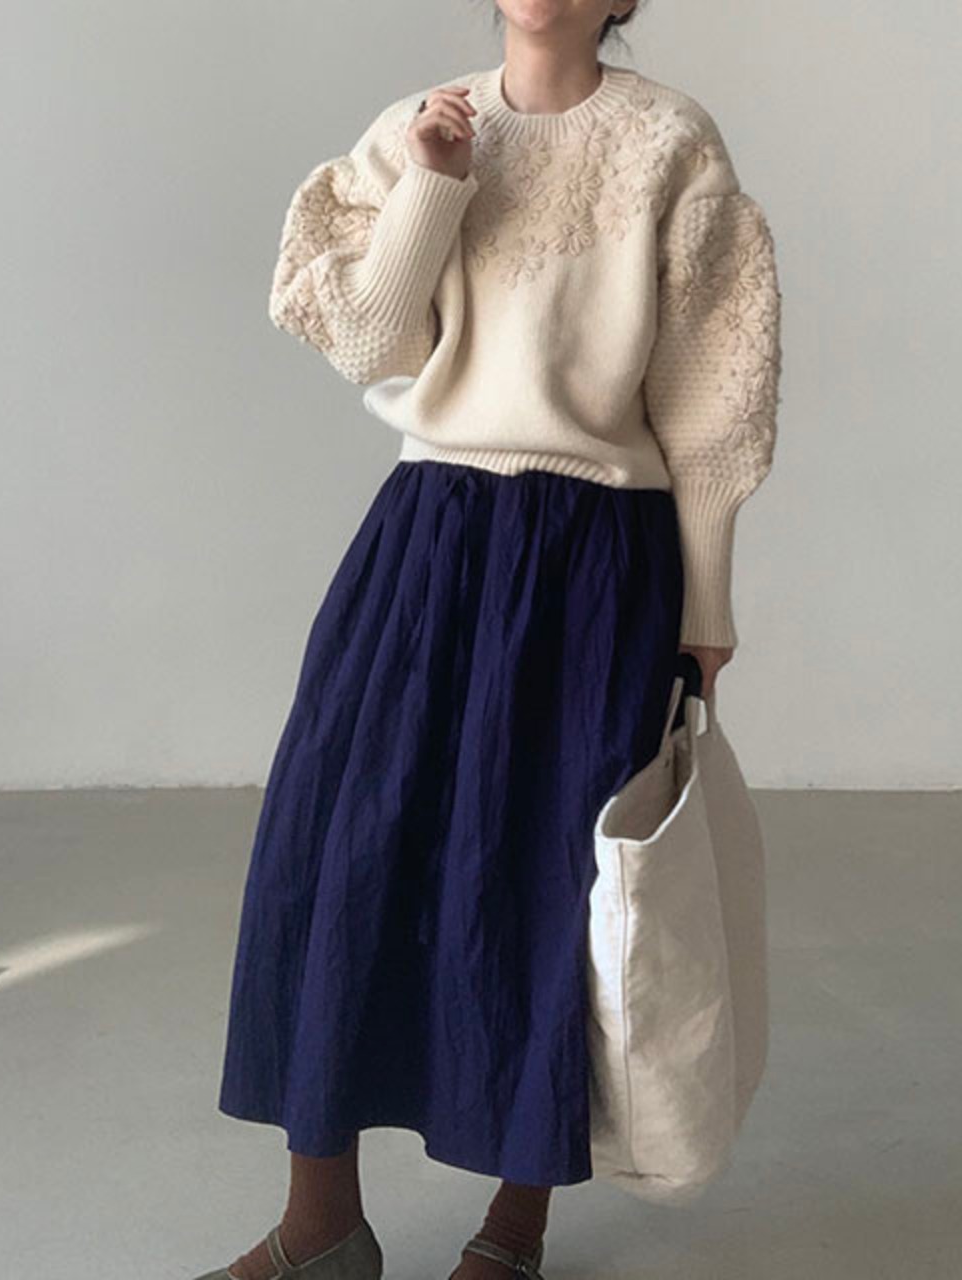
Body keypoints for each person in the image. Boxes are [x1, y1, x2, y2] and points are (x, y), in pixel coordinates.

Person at [197, 3, 782, 1277]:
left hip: (596, 550)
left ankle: (511, 1233)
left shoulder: (670, 142)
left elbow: (710, 396)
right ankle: (318, 1225)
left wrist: (705, 606)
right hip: (430, 531)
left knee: (550, 877)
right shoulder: (415, 129)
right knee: (333, 845)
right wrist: (432, 184)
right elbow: (367, 340)